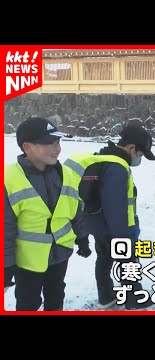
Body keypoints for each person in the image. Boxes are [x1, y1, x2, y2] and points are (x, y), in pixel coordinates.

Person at [64, 124, 155, 310]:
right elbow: (116, 205)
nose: (139, 159)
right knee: (127, 263)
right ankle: (134, 299)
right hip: (115, 228)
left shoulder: (102, 158)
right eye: (140, 154)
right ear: (131, 148)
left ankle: (106, 296)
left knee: (104, 259)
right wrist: (124, 238)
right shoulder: (117, 167)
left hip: (97, 225)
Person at [4, 117, 90, 311]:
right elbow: (5, 227)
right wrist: (6, 265)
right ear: (27, 147)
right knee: (28, 302)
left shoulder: (66, 173)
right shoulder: (9, 178)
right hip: (28, 261)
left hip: (60, 255)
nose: (56, 148)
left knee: (56, 296)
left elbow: (75, 208)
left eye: (58, 142)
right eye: (48, 143)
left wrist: (82, 236)